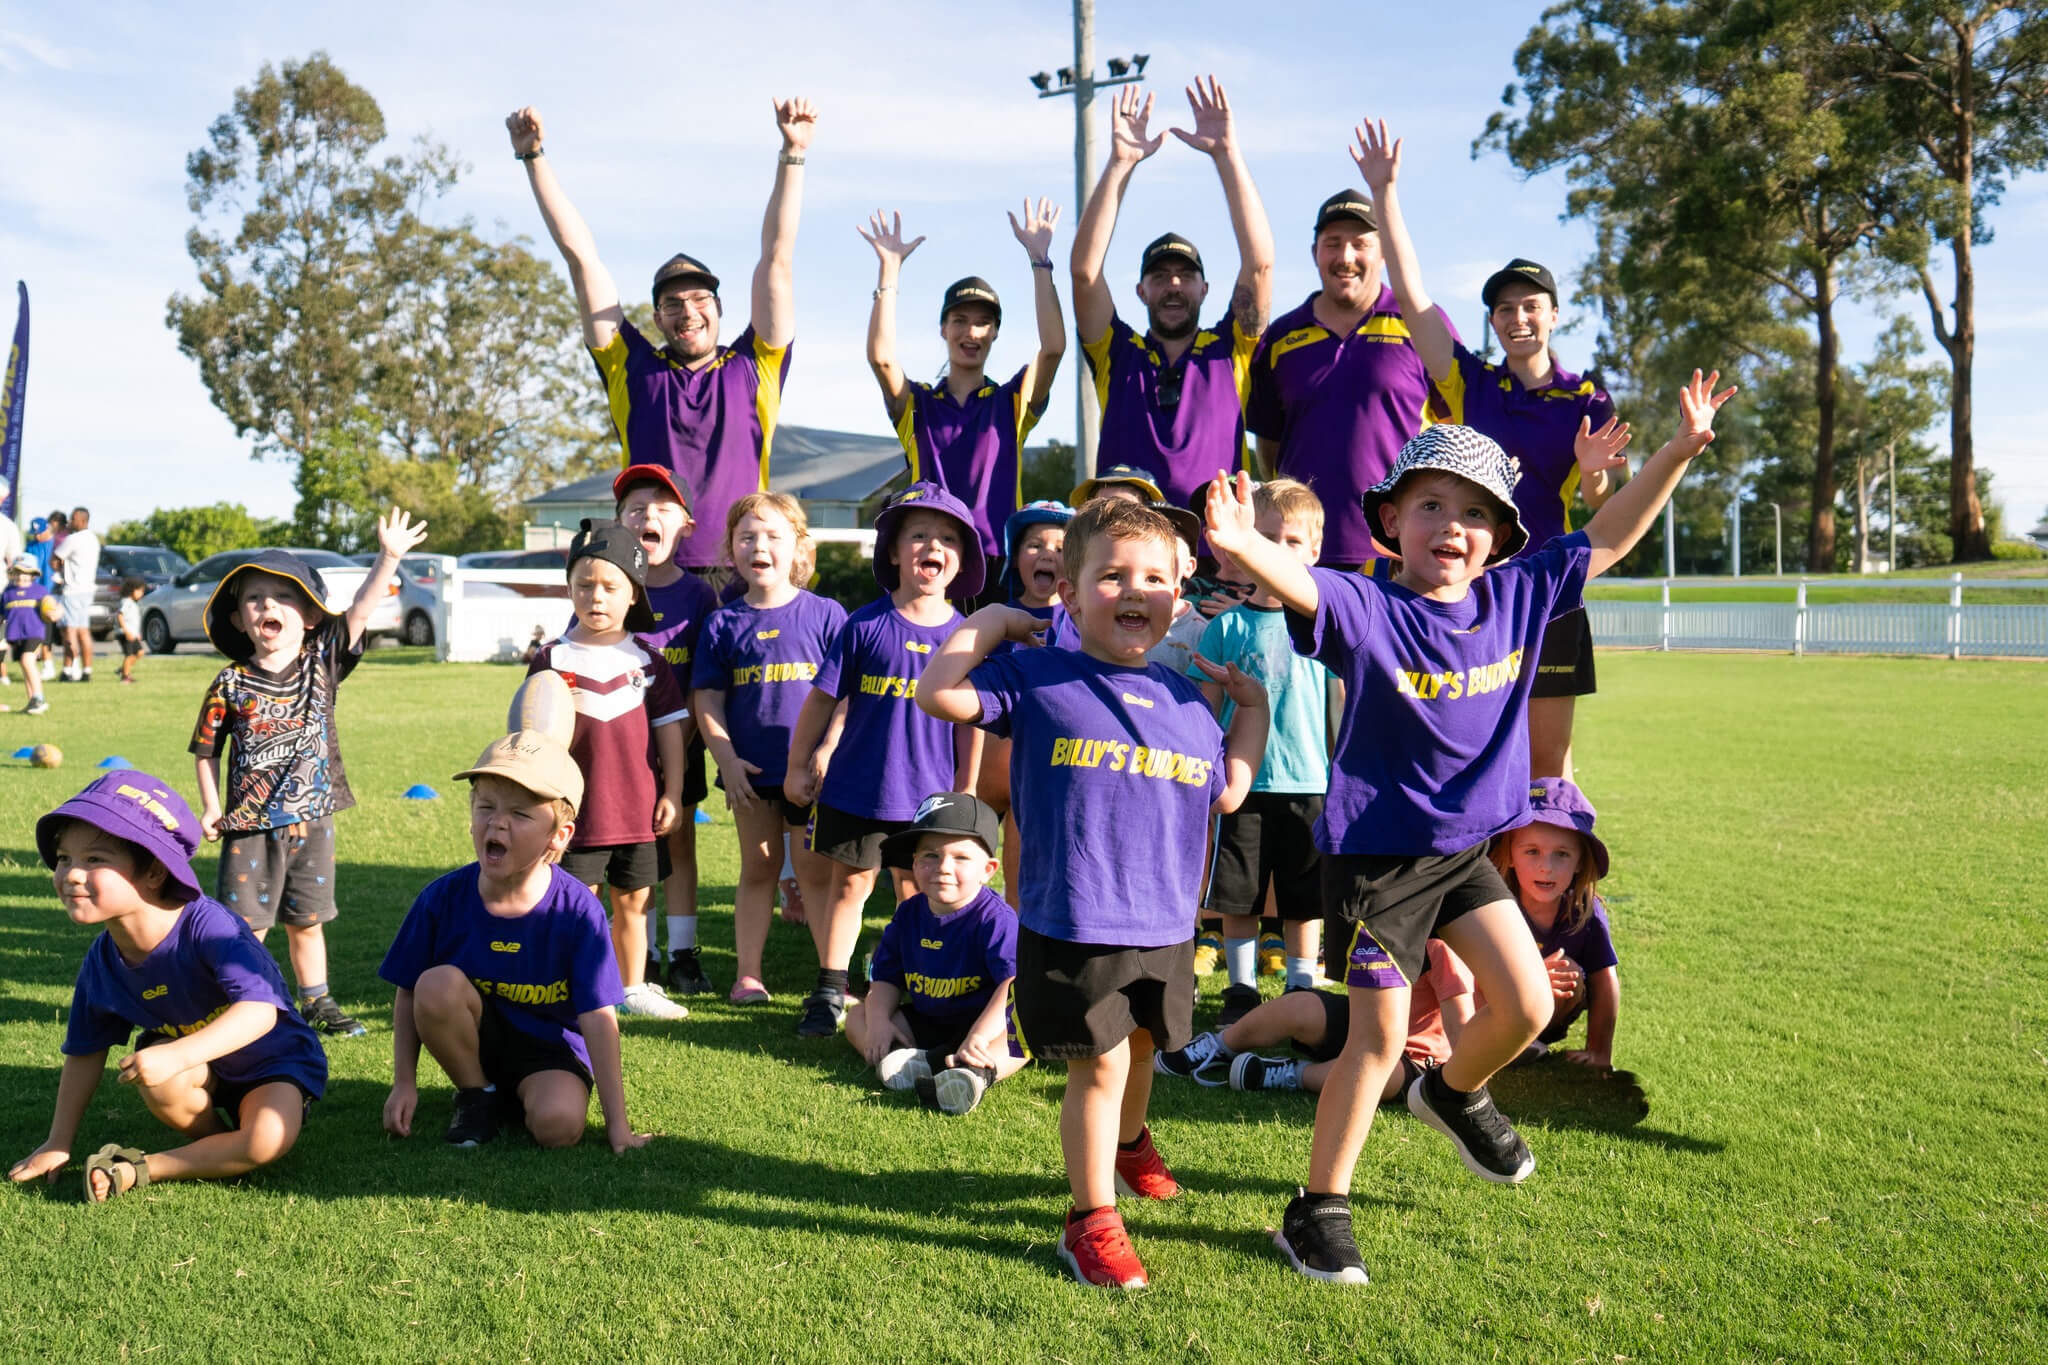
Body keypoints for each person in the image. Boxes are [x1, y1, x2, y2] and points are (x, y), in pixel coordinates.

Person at [1204, 367, 1734, 1285]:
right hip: (1377, 866)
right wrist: (1246, 544)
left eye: (1475, 513)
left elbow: (1605, 536)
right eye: (1431, 504)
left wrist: (1679, 454)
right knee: (1371, 1044)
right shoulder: (1372, 607)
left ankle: (1449, 1095)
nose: (1452, 526)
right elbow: (1304, 583)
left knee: (1527, 1007)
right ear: (1391, 521)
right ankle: (1314, 1212)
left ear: (1497, 538)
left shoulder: (1517, 596)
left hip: (1462, 855)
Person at [918, 497, 1269, 1290]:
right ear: (1070, 596)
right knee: (1101, 1065)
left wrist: (1253, 706)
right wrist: (1001, 621)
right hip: (1075, 923)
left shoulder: (1188, 702)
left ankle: (1131, 1141)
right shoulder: (1040, 676)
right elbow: (937, 692)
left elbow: (1232, 792)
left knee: (1145, 1046)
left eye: (1153, 576)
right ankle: (1089, 1220)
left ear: (1178, 595)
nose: (1134, 590)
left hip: (1169, 926)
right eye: (1111, 576)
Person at [1352, 119, 1633, 779]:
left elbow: (1601, 507)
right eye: (1504, 310)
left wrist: (1593, 478)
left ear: (1553, 314)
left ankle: (1559, 883)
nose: (1517, 318)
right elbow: (1415, 298)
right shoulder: (1471, 383)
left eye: (1530, 306)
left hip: (1547, 594)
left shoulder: (1586, 399)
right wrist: (1385, 194)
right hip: (1472, 595)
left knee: (1547, 761)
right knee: (1468, 752)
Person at [507, 100, 815, 582]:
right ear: (657, 317)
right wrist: (534, 157)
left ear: (718, 308)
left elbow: (776, 258)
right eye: (672, 304)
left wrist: (792, 154)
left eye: (698, 299)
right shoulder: (629, 367)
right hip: (649, 570)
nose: (687, 312)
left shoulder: (757, 363)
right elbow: (582, 260)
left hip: (739, 573)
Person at [9, 771, 327, 1201]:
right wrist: (58, 1141)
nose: (72, 875)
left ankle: (142, 1168)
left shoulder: (208, 927)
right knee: (159, 1080)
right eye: (65, 858)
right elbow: (84, 1051)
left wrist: (177, 1053)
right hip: (197, 1072)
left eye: (95, 860)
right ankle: (216, 1147)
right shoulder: (102, 962)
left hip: (272, 1061)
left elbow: (260, 1011)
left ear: (155, 872)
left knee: (266, 1138)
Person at [192, 511, 428, 1038]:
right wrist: (212, 806)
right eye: (254, 599)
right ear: (238, 620)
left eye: (282, 597)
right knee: (246, 926)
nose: (267, 606)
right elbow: (206, 749)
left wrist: (389, 556)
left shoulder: (323, 660)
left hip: (313, 820)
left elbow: (362, 610)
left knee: (308, 920)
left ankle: (316, 1002)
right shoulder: (229, 683)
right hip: (248, 825)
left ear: (311, 617)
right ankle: (245, 1002)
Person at [380, 732, 649, 1153]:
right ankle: (476, 1093)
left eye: (520, 814)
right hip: (475, 1041)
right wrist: (404, 1083)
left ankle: (515, 1095)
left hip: (550, 1051)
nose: (497, 822)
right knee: (434, 983)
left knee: (558, 1129)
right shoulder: (441, 898)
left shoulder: (578, 911)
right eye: (485, 807)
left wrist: (619, 1126)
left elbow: (599, 1017)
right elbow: (408, 990)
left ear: (559, 836)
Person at [784, 483, 982, 1039]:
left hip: (931, 798)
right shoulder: (864, 624)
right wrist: (800, 765)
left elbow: (972, 723)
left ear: (960, 560)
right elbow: (821, 700)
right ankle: (829, 990)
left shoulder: (966, 638)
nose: (931, 546)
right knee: (850, 886)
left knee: (918, 893)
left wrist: (965, 790)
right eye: (917, 534)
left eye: (946, 538)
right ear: (893, 552)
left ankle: (913, 990)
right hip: (859, 789)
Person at [1071, 78, 1273, 511]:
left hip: (1217, 558)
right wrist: (1120, 164)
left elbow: (1258, 264)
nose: (1174, 285)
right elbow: (1085, 274)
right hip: (1127, 553)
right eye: (1161, 276)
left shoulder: (1231, 349)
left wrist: (1227, 156)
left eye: (1186, 275)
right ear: (1141, 291)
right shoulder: (1117, 355)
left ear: (1205, 288)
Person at [860, 201, 1066, 601]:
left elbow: (1054, 348)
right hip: (932, 564)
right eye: (960, 320)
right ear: (943, 328)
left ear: (994, 332)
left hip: (999, 567)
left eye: (983, 321)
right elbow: (881, 358)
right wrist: (889, 272)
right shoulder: (917, 404)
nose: (971, 331)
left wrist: (1040, 261)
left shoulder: (1010, 401)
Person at [526, 520, 690, 1022]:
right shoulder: (551, 659)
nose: (596, 597)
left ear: (633, 593)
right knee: (576, 904)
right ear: (569, 589)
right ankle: (571, 986)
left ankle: (633, 986)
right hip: (575, 816)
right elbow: (532, 739)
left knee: (635, 900)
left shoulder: (649, 661)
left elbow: (669, 733)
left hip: (637, 810)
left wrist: (674, 793)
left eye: (610, 587)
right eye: (584, 586)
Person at [691, 491, 847, 1004]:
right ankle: (748, 976)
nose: (760, 545)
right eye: (747, 536)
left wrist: (826, 750)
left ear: (798, 548)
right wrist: (727, 760)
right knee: (758, 868)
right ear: (732, 549)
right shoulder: (722, 622)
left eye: (774, 536)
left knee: (814, 874)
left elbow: (847, 694)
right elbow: (707, 698)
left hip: (813, 775)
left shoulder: (825, 615)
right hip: (752, 773)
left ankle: (832, 981)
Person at [1190, 478, 1334, 1026]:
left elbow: (1339, 709)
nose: (1277, 549)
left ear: (1314, 550)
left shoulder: (1326, 627)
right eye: (1265, 536)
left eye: (1292, 541)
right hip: (1241, 785)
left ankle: (1302, 983)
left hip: (1310, 783)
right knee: (1238, 894)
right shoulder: (1224, 626)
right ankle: (1241, 988)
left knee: (1303, 893)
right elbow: (1204, 714)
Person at [1244, 180, 1441, 570]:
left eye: (1360, 244)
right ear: (1315, 252)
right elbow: (1268, 446)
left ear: (1383, 254)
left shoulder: (1421, 326)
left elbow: (1453, 430)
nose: (1345, 256)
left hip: (1398, 556)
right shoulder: (1281, 338)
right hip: (1298, 557)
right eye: (1332, 243)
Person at [845, 792, 1026, 1116]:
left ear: (988, 869)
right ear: (914, 864)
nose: (943, 867)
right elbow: (886, 978)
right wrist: (878, 1022)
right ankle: (908, 1060)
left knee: (1026, 1034)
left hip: (985, 1024)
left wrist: (979, 1037)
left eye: (960, 858)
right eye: (930, 855)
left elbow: (1012, 984)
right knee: (858, 1017)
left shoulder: (995, 918)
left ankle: (974, 1075)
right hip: (927, 1021)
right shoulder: (909, 913)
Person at [612, 464, 719, 996]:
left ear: (687, 526)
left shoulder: (699, 597)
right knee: (633, 856)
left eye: (661, 507)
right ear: (617, 524)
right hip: (618, 758)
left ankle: (683, 953)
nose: (647, 516)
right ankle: (643, 954)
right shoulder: (607, 586)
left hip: (681, 750)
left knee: (679, 850)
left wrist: (683, 747)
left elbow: (707, 680)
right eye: (635, 508)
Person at [1157, 939, 1474, 1098]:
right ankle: (1220, 1045)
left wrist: (1465, 1092)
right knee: (1299, 1005)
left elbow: (1462, 1030)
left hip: (1417, 1058)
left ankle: (1292, 1074)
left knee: (1375, 1073)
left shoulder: (1447, 945)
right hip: (1365, 1018)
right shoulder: (1394, 916)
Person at [976, 500, 1072, 907]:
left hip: (1040, 767)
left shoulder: (1081, 622)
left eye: (1061, 546)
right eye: (1033, 545)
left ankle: (1015, 954)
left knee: (1023, 872)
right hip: (986, 763)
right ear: (1015, 560)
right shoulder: (993, 616)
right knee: (965, 861)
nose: (1047, 553)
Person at [1491, 777, 1621, 1069]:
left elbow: (1605, 980)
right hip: (1495, 1006)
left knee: (1569, 972)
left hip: (1549, 1014)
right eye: (1532, 851)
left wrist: (1600, 1052)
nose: (1546, 867)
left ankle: (1528, 1043)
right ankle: (1490, 1041)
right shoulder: (1494, 903)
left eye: (1561, 854)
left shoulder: (1585, 911)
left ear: (1579, 861)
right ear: (1510, 854)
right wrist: (1531, 979)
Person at [55, 505, 100, 682]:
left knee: (70, 631)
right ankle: (87, 669)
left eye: (72, 518)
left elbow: (55, 560)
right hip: (88, 589)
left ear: (82, 520)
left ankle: (70, 669)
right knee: (84, 631)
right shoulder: (93, 539)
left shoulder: (72, 539)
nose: (70, 521)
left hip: (73, 590)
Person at [3, 555, 51, 714]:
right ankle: (33, 702)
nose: (21, 576)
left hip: (34, 632)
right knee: (25, 667)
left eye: (25, 572)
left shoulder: (39, 591)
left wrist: (53, 613)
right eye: (17, 572)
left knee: (27, 660)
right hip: (15, 635)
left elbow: (51, 609)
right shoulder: (8, 592)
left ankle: (39, 698)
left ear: (33, 575)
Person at [116, 577, 147, 686]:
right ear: (132, 590)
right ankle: (125, 677)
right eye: (140, 591)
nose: (142, 594)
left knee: (140, 653)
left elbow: (134, 621)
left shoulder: (133, 603)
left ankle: (124, 668)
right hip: (125, 634)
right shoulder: (126, 602)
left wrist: (137, 634)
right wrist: (126, 631)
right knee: (129, 655)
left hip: (133, 634)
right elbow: (120, 615)